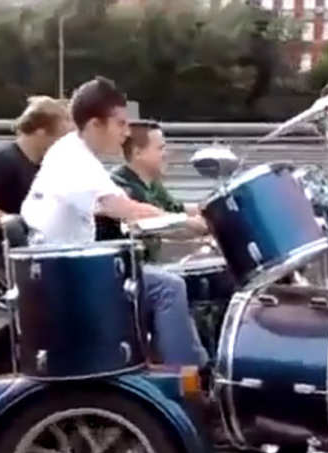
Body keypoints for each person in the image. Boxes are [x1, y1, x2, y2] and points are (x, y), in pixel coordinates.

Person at [21, 76, 207, 367]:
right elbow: (125, 208)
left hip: (66, 268)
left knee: (164, 279)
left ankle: (182, 363)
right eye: (120, 124)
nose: (126, 132)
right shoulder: (75, 161)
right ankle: (186, 375)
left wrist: (176, 220)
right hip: (68, 277)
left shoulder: (75, 152)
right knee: (169, 288)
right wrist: (186, 222)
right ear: (95, 124)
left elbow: (128, 209)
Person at [0, 97, 72, 289]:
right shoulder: (4, 160)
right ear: (41, 132)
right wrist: (7, 221)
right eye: (60, 138)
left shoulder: (43, 166)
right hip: (9, 257)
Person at [96, 120, 208, 261]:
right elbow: (162, 225)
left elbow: (176, 209)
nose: (166, 154)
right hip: (129, 270)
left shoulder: (151, 182)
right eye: (160, 148)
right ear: (138, 153)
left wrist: (213, 209)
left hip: (149, 266)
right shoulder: (122, 187)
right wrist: (196, 225)